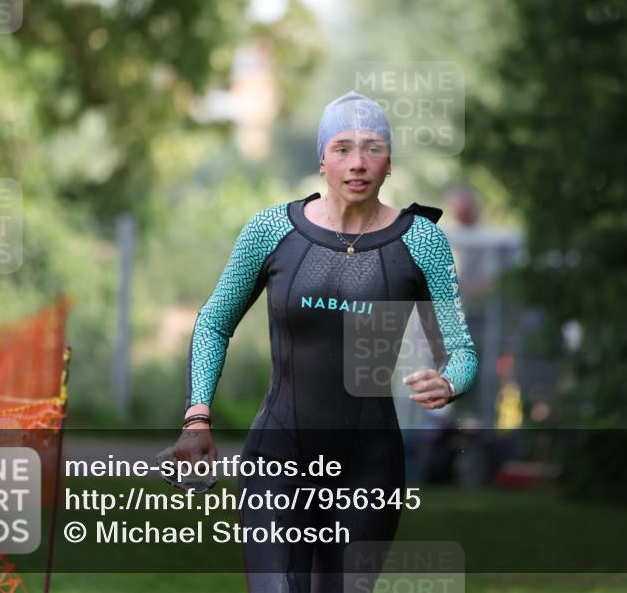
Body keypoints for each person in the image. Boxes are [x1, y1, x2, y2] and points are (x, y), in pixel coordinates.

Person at [173, 90, 479, 592]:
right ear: (322, 159)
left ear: (389, 163)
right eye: (342, 148)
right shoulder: (271, 229)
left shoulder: (421, 240)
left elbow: (462, 350)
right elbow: (212, 322)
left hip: (369, 465)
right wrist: (197, 415)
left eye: (372, 148)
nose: (357, 163)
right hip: (279, 454)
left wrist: (448, 382)